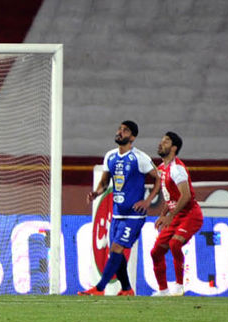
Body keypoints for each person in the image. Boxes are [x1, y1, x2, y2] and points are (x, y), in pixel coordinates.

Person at [78, 120, 156, 296]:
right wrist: (96, 193)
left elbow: (159, 178)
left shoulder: (140, 158)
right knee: (116, 252)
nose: (120, 132)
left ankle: (99, 288)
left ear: (133, 137)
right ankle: (127, 289)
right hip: (117, 214)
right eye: (120, 129)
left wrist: (148, 200)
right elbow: (105, 182)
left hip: (134, 216)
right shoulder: (110, 156)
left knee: (116, 250)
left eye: (125, 130)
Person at [148, 132, 202, 296]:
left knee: (175, 244)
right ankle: (163, 290)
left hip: (190, 214)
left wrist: (170, 216)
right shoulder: (162, 168)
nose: (160, 143)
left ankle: (179, 286)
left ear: (174, 148)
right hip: (175, 215)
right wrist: (163, 214)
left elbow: (185, 196)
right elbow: (169, 197)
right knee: (156, 252)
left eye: (166, 141)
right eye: (161, 140)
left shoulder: (176, 168)